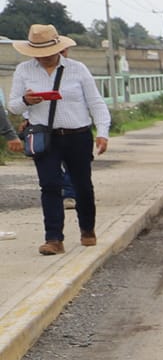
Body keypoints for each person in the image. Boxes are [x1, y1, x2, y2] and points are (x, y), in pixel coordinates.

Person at [6, 23, 109, 256]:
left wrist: (103, 132)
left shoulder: (77, 69)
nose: (43, 58)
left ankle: (87, 230)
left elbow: (95, 102)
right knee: (49, 185)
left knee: (82, 185)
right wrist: (26, 101)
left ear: (58, 49)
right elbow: (12, 106)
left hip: (78, 136)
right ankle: (53, 238)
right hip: (45, 137)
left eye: (47, 53)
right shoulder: (24, 70)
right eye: (38, 54)